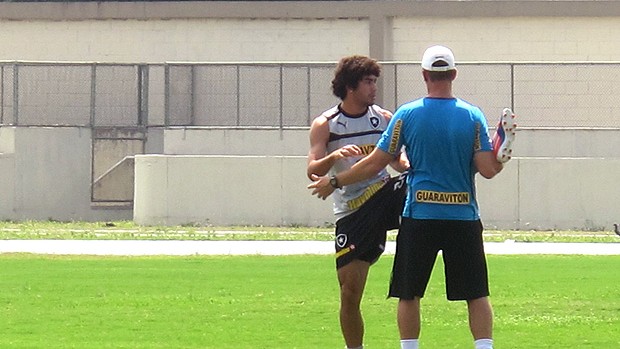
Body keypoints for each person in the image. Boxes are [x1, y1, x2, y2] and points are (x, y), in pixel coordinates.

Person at [308, 45, 516, 349]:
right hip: (463, 216)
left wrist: (336, 180)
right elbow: (487, 170)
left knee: (409, 292)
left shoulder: (406, 115)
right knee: (476, 292)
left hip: (419, 215)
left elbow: (377, 162)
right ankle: (484, 346)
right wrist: (500, 154)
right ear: (454, 75)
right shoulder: (472, 116)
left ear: (424, 75)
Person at [306, 55, 409, 349]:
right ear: (350, 86)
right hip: (352, 212)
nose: (374, 87)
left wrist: (406, 164)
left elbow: (398, 160)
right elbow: (313, 170)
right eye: (368, 81)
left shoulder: (385, 118)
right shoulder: (326, 124)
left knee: (414, 184)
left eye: (375, 81)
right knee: (349, 293)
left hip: (382, 194)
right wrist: (334, 157)